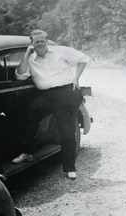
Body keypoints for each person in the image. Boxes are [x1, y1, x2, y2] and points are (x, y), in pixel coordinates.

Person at [12, 30, 89, 179]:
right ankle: (27, 153)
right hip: (46, 95)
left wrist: (76, 79)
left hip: (66, 92)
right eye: (36, 42)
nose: (40, 44)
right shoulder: (31, 58)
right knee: (29, 116)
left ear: (47, 41)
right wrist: (27, 55)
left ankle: (70, 168)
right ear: (32, 44)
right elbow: (20, 75)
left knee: (66, 128)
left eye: (42, 41)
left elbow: (83, 58)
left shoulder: (60, 51)